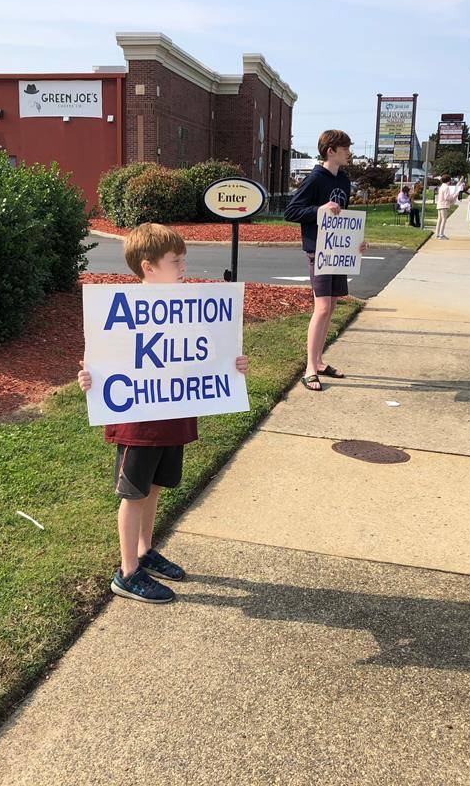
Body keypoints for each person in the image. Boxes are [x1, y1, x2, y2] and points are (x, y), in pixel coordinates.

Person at [77, 223, 250, 604]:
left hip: (172, 416)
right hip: (137, 424)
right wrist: (90, 377)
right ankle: (127, 572)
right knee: (134, 493)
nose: (184, 266)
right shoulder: (120, 310)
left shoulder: (189, 308)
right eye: (176, 260)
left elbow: (203, 354)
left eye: (184, 259)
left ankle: (144, 550)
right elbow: (105, 358)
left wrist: (231, 365)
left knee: (154, 488)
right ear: (148, 267)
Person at [283, 129, 368, 392]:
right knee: (321, 308)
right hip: (318, 250)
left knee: (330, 306)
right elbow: (291, 211)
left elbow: (342, 218)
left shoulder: (343, 180)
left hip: (337, 252)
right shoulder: (315, 178)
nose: (349, 153)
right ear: (331, 151)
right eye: (345, 149)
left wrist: (355, 243)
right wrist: (318, 209)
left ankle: (319, 361)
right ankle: (309, 368)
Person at [434, 174, 466, 240]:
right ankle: (441, 234)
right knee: (444, 220)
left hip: (440, 205)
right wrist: (455, 195)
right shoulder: (446, 188)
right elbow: (447, 198)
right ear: (448, 181)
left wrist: (460, 182)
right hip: (444, 205)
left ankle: (437, 234)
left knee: (439, 219)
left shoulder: (442, 186)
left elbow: (455, 188)